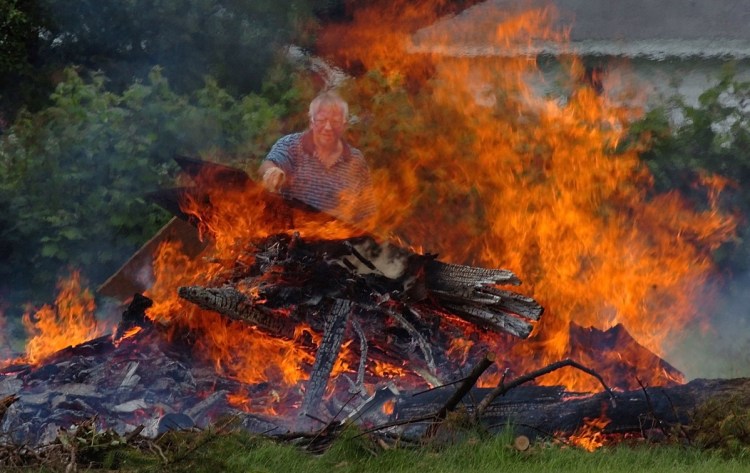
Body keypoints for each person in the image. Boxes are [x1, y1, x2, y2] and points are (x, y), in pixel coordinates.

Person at [259, 91, 376, 224]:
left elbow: (366, 213)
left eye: (335, 122)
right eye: (321, 120)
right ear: (312, 122)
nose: (328, 127)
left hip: (336, 239)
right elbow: (269, 163)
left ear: (344, 125)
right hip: (291, 235)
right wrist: (271, 172)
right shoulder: (291, 145)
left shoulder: (356, 160)